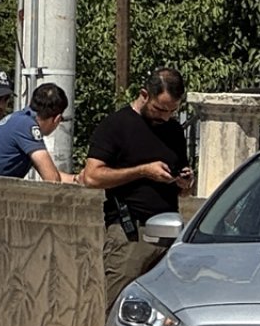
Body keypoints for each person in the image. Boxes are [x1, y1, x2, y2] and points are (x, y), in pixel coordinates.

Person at [83, 67, 194, 309]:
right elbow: (91, 177)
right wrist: (143, 171)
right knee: (120, 309)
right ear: (145, 94)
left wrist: (184, 182)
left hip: (168, 235)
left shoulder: (174, 131)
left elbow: (182, 188)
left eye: (172, 111)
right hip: (129, 232)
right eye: (159, 109)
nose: (165, 117)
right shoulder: (116, 125)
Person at [0, 83, 77, 182]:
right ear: (57, 119)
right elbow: (52, 179)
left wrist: (77, 179)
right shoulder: (28, 127)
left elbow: (52, 174)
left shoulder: (21, 119)